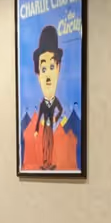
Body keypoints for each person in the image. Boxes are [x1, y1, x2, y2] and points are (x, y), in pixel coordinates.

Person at [20, 25, 81, 171]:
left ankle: (49, 162)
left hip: (50, 127)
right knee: (46, 145)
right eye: (44, 69)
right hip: (45, 129)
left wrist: (57, 118)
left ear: (59, 68)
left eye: (52, 67)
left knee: (50, 144)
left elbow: (59, 110)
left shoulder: (72, 130)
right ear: (38, 75)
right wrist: (36, 130)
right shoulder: (29, 125)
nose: (48, 76)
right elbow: (40, 114)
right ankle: (46, 162)